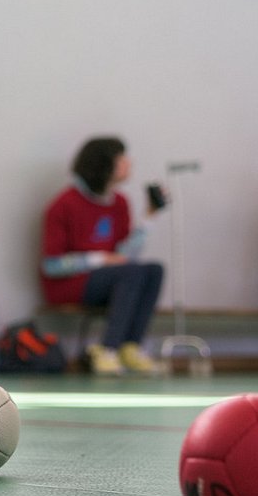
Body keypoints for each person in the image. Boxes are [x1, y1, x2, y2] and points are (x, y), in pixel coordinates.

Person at [40, 137, 165, 376]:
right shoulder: (64, 204)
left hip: (109, 279)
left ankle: (130, 346)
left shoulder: (119, 203)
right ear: (103, 165)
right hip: (69, 284)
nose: (129, 163)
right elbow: (51, 265)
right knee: (131, 272)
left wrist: (149, 217)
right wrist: (98, 259)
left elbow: (123, 256)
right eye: (121, 159)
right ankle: (107, 349)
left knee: (153, 270)